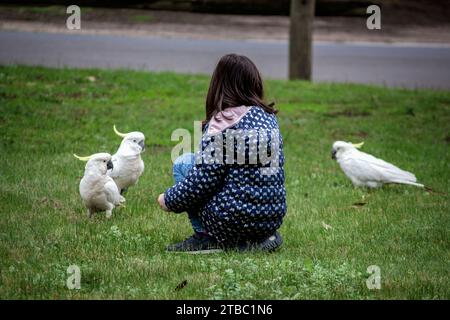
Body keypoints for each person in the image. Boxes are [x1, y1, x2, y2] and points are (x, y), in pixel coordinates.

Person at [157, 53, 286, 253]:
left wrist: (168, 199)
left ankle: (208, 238)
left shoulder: (223, 123)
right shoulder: (268, 118)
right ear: (255, 83)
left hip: (233, 221)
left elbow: (201, 181)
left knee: (185, 162)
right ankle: (260, 238)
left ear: (218, 85)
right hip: (271, 217)